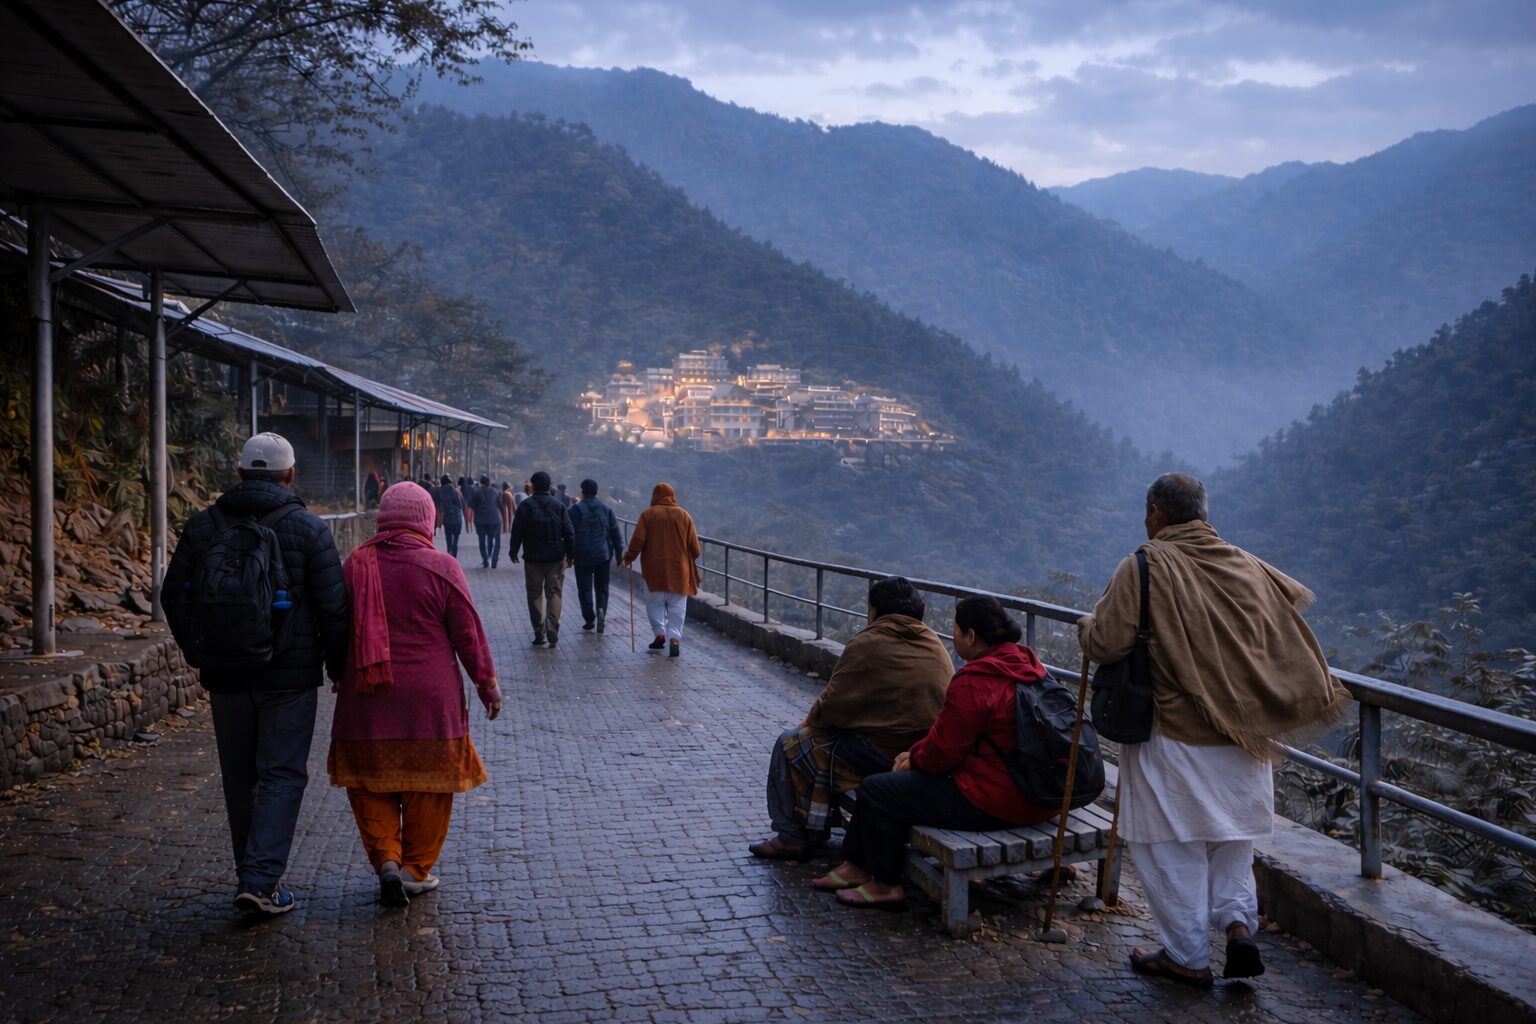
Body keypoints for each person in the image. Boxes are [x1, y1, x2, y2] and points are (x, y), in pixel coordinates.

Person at [1078, 473, 1349, 988]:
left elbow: (1108, 642)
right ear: (1202, 513)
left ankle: (1186, 956)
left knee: (1169, 844)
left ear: (1156, 511)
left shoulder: (1144, 565)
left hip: (1176, 736)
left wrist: (1086, 628)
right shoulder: (1246, 564)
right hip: (1245, 737)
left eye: (1146, 510)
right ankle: (1238, 926)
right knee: (1231, 843)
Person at [162, 432, 349, 916]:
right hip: (288, 678)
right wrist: (337, 668)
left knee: (239, 776)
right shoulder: (309, 529)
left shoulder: (204, 526)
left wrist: (200, 650)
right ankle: (261, 881)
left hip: (227, 677)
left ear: (241, 473)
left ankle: (254, 875)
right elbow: (333, 608)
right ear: (290, 475)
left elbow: (173, 593)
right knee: (282, 775)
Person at [811, 596, 1057, 910]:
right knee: (887, 786)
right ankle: (855, 866)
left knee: (877, 789)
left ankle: (885, 884)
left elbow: (944, 752)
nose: (951, 636)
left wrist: (913, 758)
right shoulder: (1028, 665)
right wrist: (917, 753)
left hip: (999, 801)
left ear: (970, 636)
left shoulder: (976, 681)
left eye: (955, 629)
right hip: (1039, 796)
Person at [749, 577, 952, 859]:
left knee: (789, 745)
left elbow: (831, 707)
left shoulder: (867, 642)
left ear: (875, 611)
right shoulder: (936, 644)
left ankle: (791, 836)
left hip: (881, 756)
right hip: (920, 756)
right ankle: (815, 828)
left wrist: (807, 724)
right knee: (827, 745)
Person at [621, 483, 701, 657]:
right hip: (679, 573)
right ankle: (674, 637)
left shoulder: (648, 515)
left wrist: (629, 557)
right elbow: (695, 550)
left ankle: (660, 633)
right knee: (677, 606)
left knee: (654, 603)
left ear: (654, 497)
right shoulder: (684, 516)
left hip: (654, 571)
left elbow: (637, 542)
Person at [507, 470, 575, 647]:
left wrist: (513, 551)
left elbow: (517, 532)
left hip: (533, 558)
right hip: (556, 557)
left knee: (534, 594)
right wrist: (571, 555)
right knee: (554, 593)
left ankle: (539, 632)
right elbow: (569, 533)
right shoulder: (559, 506)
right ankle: (552, 627)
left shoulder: (525, 506)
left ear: (533, 486)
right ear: (549, 486)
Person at [568, 478, 625, 634]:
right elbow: (616, 536)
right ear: (597, 492)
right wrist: (620, 558)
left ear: (582, 492)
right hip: (603, 556)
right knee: (602, 588)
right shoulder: (607, 510)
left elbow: (568, 535)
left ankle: (589, 619)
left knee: (584, 589)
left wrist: (569, 555)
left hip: (582, 556)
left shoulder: (574, 511)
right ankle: (601, 616)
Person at [467, 474, 502, 569]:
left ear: (481, 482)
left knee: (482, 541)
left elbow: (469, 504)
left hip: (480, 520)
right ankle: (494, 560)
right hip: (494, 519)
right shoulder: (496, 491)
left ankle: (485, 560)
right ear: (489, 482)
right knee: (496, 541)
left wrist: (477, 509)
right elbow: (500, 505)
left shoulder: (476, 492)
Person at [437, 474, 465, 558]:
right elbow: (461, 504)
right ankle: (454, 554)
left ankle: (449, 552)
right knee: (455, 539)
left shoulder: (441, 490)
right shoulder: (456, 490)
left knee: (448, 537)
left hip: (447, 518)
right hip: (456, 518)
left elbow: (439, 505)